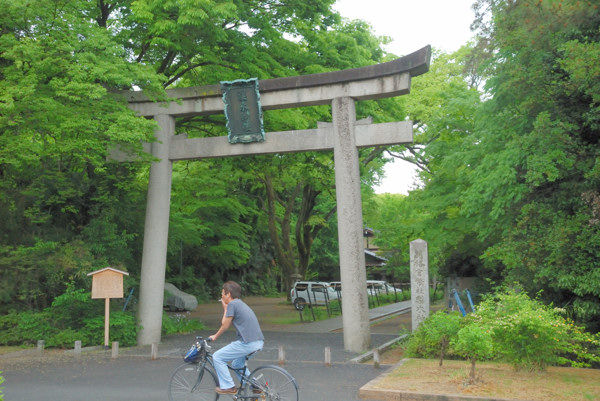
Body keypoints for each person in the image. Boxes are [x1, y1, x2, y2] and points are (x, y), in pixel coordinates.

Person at [208, 281, 265, 395]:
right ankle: (255, 386)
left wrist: (215, 336)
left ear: (228, 294)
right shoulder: (240, 303)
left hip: (247, 343)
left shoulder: (232, 305)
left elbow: (225, 325)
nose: (222, 296)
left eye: (223, 294)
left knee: (217, 357)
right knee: (237, 364)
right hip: (258, 342)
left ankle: (229, 386)